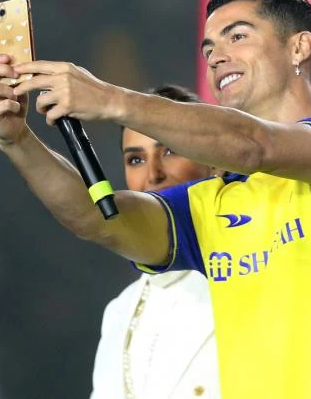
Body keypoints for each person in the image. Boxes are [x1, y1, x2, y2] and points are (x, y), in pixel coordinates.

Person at [0, 0, 311, 399]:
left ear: (299, 47)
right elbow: (92, 217)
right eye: (208, 49)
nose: (216, 55)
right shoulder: (209, 206)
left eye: (237, 36)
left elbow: (253, 145)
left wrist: (111, 100)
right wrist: (16, 139)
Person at [91, 85, 220, 399]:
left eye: (170, 150)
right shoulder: (119, 311)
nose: (153, 175)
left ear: (216, 162)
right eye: (136, 160)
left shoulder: (251, 270)